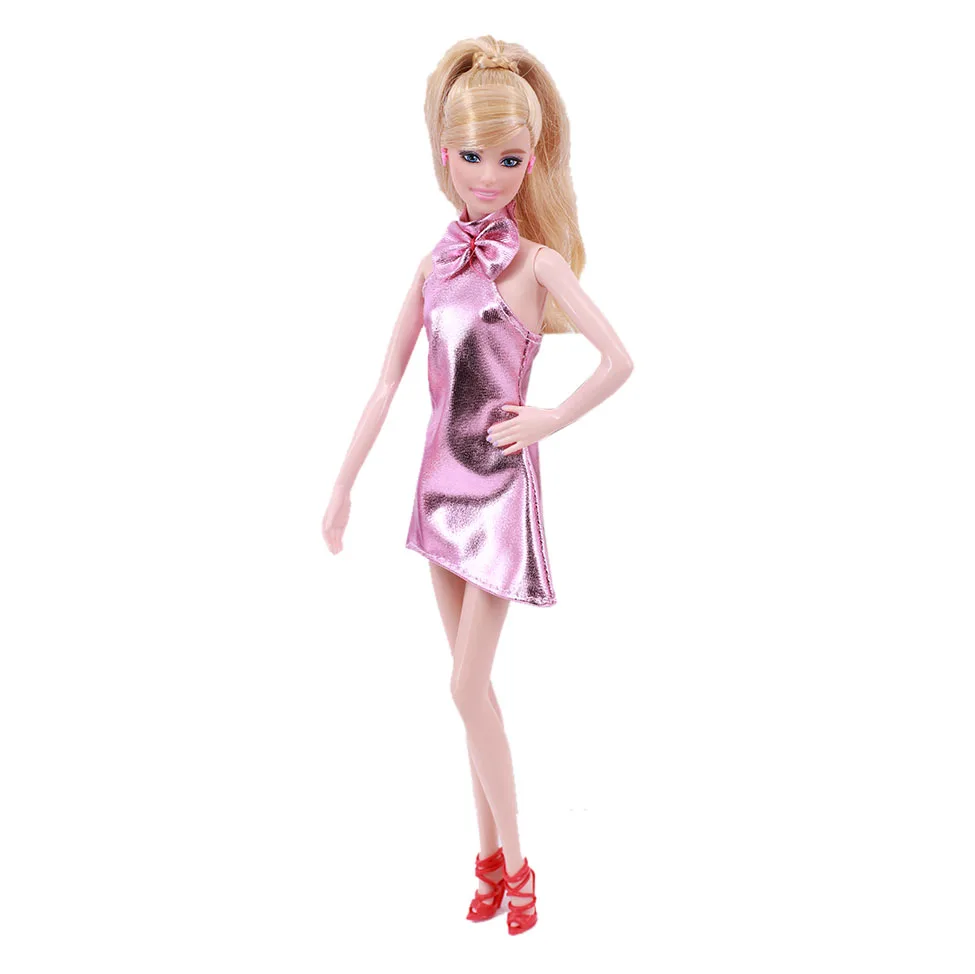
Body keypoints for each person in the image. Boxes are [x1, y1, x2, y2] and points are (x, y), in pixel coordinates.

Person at [322, 35, 634, 935]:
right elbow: (386, 383)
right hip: (435, 487)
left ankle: (521, 860)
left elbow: (618, 360)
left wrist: (549, 418)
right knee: (473, 693)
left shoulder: (537, 265)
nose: (487, 175)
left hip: (496, 488)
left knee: (465, 685)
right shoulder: (433, 266)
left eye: (507, 159)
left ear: (531, 161)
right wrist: (342, 486)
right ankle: (488, 859)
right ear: (442, 156)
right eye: (470, 156)